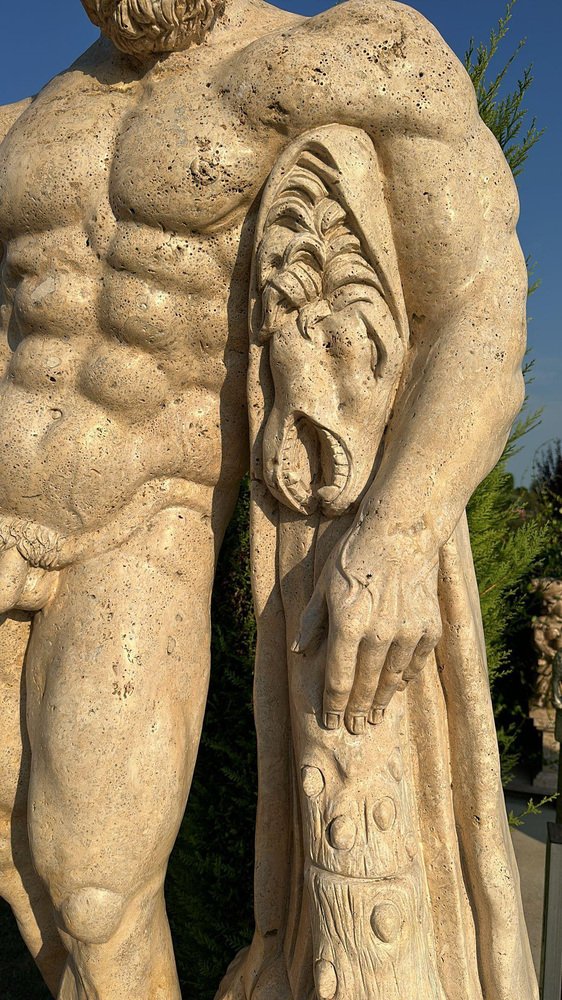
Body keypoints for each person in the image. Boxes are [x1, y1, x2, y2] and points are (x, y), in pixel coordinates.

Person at [0, 1, 536, 997]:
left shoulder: (350, 56)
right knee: (16, 865)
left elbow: (479, 305)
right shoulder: (28, 121)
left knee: (91, 887)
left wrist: (401, 529)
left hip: (140, 515)